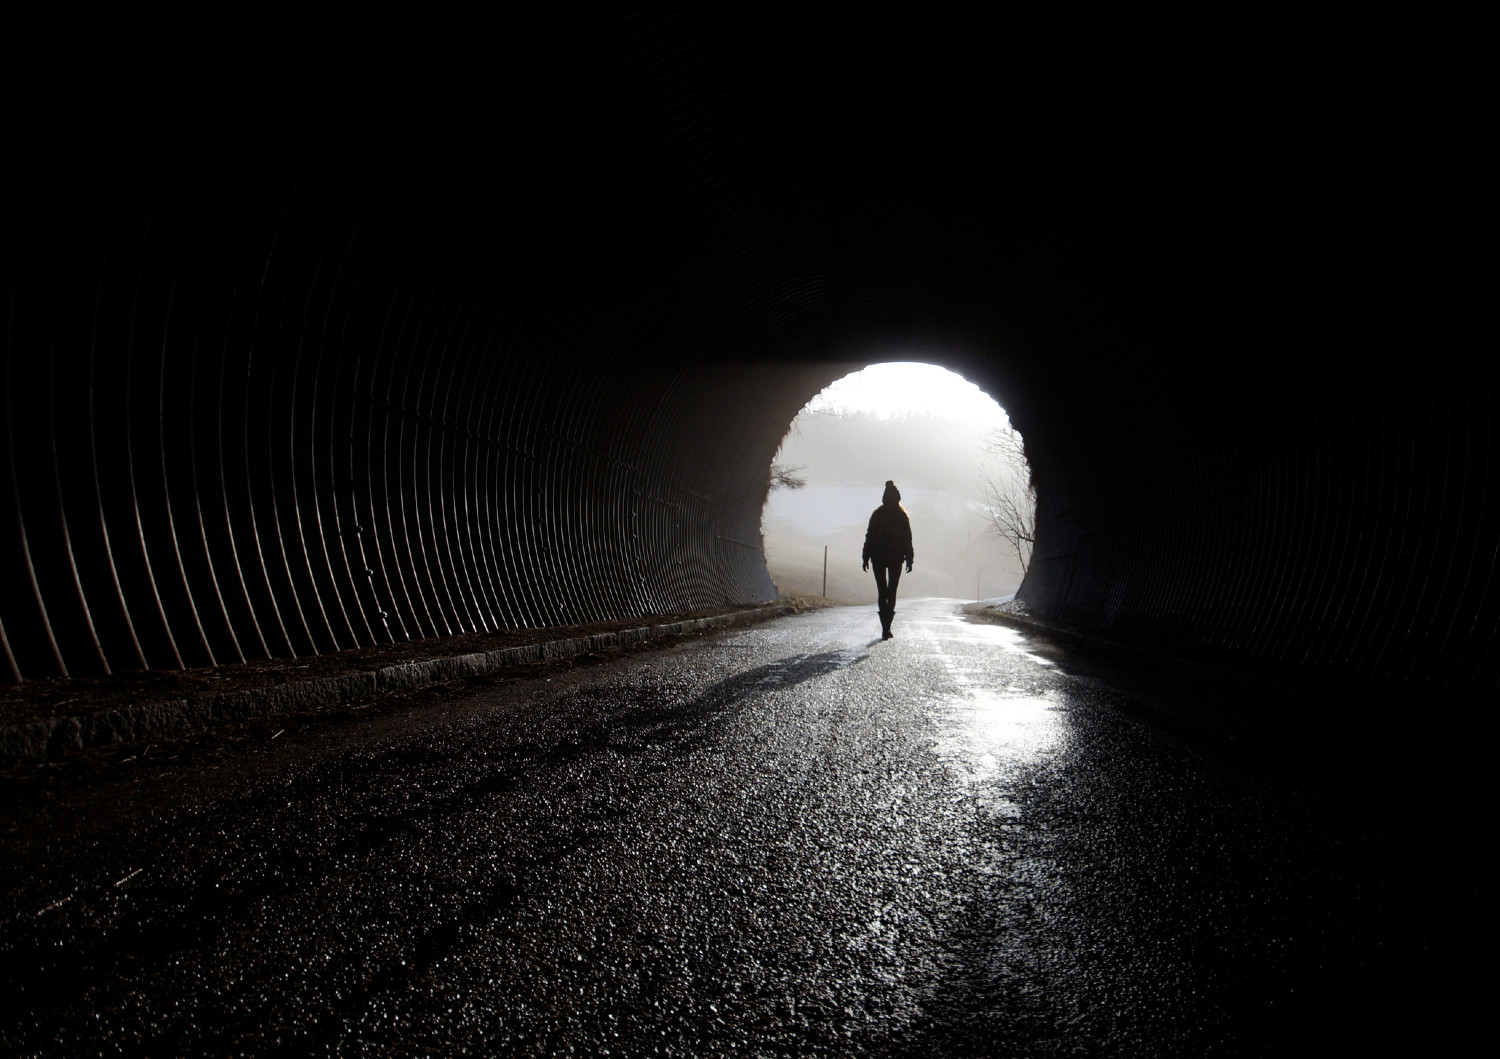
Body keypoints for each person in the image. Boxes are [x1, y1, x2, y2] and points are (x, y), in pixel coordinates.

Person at [862, 480, 914, 639]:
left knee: (882, 591)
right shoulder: (902, 516)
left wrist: (865, 557)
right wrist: (909, 558)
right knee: (891, 592)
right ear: (898, 498)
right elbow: (907, 539)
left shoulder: (877, 514)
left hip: (877, 558)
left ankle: (885, 626)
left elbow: (869, 536)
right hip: (896, 559)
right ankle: (887, 628)